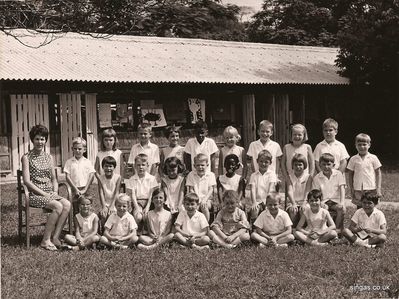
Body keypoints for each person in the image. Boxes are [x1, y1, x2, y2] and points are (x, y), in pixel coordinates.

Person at [21, 125, 71, 250]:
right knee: (58, 206)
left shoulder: (49, 157)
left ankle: (55, 237)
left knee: (67, 204)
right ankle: (45, 240)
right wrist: (44, 194)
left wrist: (54, 191)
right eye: (37, 139)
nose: (40, 142)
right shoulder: (26, 158)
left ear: (45, 140)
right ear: (32, 140)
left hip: (50, 194)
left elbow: (54, 179)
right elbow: (27, 182)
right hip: (35, 195)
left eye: (42, 139)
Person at [347, 133, 382, 209]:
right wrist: (352, 188)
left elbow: (378, 173)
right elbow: (350, 175)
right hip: (358, 188)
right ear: (355, 145)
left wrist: (378, 188)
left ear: (369, 145)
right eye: (359, 144)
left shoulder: (373, 158)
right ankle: (360, 221)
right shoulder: (353, 159)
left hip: (371, 187)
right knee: (360, 208)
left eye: (364, 144)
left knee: (371, 207)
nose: (362, 147)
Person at [312, 153, 346, 231]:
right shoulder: (317, 177)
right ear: (320, 165)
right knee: (324, 209)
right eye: (323, 164)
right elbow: (316, 193)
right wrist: (321, 203)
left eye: (328, 164)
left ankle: (336, 230)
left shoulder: (338, 174)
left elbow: (342, 188)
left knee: (341, 209)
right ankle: (325, 230)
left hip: (336, 201)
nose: (326, 167)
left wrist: (342, 202)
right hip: (324, 201)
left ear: (333, 165)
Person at [64, 137, 96, 215]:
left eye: (80, 149)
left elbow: (91, 175)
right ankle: (76, 226)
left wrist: (85, 189)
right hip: (74, 189)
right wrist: (75, 189)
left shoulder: (87, 162)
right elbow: (67, 176)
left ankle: (86, 226)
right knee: (76, 209)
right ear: (72, 149)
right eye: (75, 149)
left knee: (86, 208)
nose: (77, 151)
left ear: (84, 150)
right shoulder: (69, 162)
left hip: (85, 188)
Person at [125, 154, 159, 226]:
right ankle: (135, 231)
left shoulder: (152, 179)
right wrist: (137, 208)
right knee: (139, 217)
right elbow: (133, 195)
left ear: (147, 166)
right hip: (137, 202)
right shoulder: (132, 179)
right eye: (138, 165)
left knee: (147, 216)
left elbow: (151, 195)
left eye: (143, 165)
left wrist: (147, 207)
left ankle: (148, 232)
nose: (141, 167)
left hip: (149, 202)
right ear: (135, 166)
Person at [185, 153, 216, 222]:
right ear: (194, 166)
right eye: (198, 165)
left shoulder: (210, 175)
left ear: (207, 165)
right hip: (195, 198)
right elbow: (191, 189)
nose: (200, 167)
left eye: (202, 165)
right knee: (193, 207)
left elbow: (211, 189)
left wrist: (204, 199)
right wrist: (197, 199)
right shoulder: (191, 175)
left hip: (207, 199)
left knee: (204, 206)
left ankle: (205, 225)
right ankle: (194, 225)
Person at [249, 150, 277, 221]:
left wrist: (267, 203)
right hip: (258, 201)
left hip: (268, 201)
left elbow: (271, 190)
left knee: (269, 211)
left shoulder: (272, 174)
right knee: (254, 209)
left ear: (270, 163)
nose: (263, 164)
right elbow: (252, 190)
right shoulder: (254, 175)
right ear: (257, 161)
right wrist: (254, 202)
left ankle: (269, 227)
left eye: (266, 162)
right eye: (261, 161)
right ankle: (254, 228)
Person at [285, 153, 313, 226]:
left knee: (303, 209)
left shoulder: (308, 177)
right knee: (293, 210)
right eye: (295, 165)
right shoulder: (289, 177)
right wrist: (293, 203)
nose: (298, 167)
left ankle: (303, 227)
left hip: (305, 201)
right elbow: (289, 191)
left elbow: (308, 191)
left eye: (300, 165)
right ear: (292, 166)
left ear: (304, 166)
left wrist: (304, 202)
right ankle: (293, 228)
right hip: (292, 202)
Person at [97, 156, 121, 228]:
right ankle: (104, 231)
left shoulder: (118, 177)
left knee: (112, 214)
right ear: (103, 167)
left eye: (110, 166)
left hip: (115, 202)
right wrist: (104, 206)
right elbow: (101, 192)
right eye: (106, 166)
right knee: (104, 214)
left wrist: (112, 206)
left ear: (114, 167)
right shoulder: (100, 178)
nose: (108, 168)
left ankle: (113, 230)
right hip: (105, 202)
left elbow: (116, 192)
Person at [161, 157, 185, 221]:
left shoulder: (181, 179)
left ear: (178, 168)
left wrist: (179, 205)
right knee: (167, 214)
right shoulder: (164, 180)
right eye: (169, 171)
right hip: (168, 201)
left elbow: (181, 192)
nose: (171, 173)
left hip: (179, 201)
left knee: (182, 213)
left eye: (173, 170)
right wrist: (170, 204)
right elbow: (166, 194)